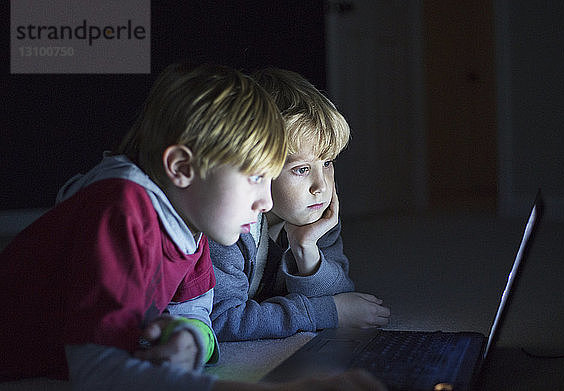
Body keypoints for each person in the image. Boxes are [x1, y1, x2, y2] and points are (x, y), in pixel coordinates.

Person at [0, 63, 385, 391]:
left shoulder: (194, 223)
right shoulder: (120, 210)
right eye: (254, 178)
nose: (266, 201)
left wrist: (187, 341)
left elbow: (198, 316)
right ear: (182, 168)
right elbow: (98, 371)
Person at [208, 67, 391, 342]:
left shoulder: (313, 214)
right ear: (257, 166)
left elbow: (340, 292)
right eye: (302, 169)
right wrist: (323, 313)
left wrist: (307, 250)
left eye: (327, 163)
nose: (321, 187)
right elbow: (221, 319)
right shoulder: (228, 225)